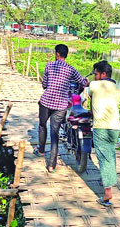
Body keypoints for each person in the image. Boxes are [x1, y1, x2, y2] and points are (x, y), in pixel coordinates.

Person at [35, 44, 88, 172]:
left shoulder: (49, 65)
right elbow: (83, 82)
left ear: (57, 54)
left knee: (42, 125)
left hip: (46, 102)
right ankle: (52, 165)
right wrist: (86, 81)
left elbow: (44, 85)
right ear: (66, 55)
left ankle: (41, 150)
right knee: (54, 133)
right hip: (60, 105)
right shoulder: (71, 69)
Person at [88, 60, 120, 207]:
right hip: (115, 126)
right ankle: (108, 180)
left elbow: (88, 94)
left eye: (96, 74)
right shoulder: (117, 89)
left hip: (101, 126)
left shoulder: (94, 85)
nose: (94, 77)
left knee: (103, 157)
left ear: (102, 74)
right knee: (110, 153)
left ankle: (107, 192)